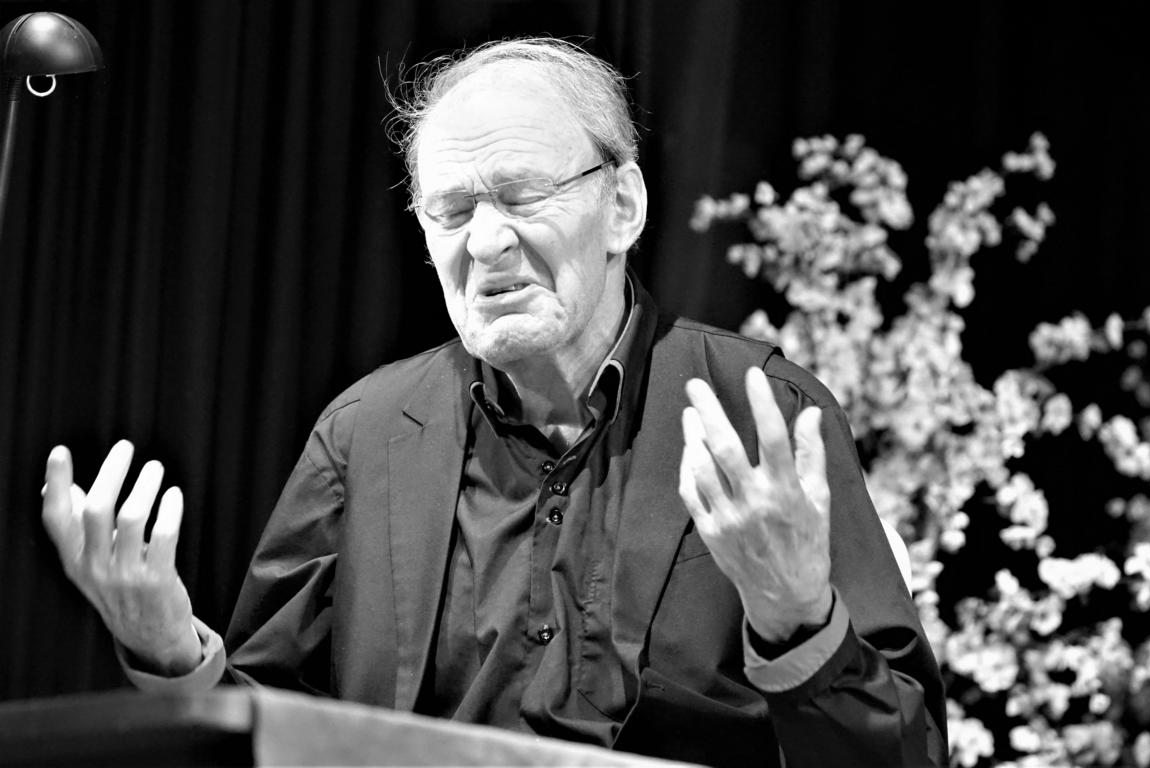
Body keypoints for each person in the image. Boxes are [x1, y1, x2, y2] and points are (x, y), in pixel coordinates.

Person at [41, 38, 947, 767]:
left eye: (521, 195)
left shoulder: (759, 417)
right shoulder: (365, 435)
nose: (485, 242)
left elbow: (902, 754)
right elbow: (270, 738)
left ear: (623, 206)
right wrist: (170, 650)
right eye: (450, 210)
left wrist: (795, 617)